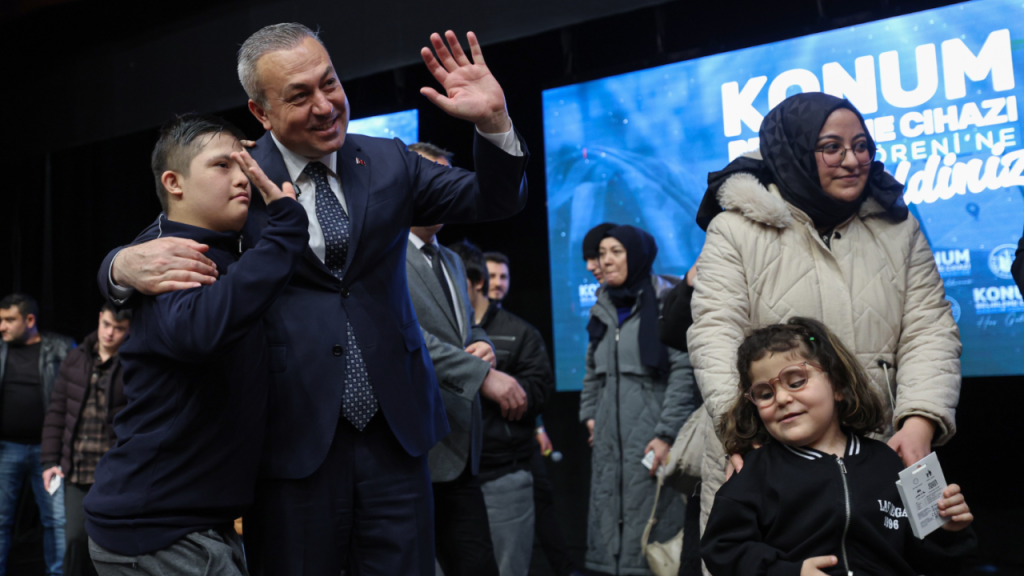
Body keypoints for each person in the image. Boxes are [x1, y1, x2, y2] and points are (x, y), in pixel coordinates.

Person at [96, 23, 528, 576]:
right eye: (299, 96)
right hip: (290, 437)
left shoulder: (390, 161)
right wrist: (118, 266)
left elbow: (494, 197)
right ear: (261, 113)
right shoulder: (240, 174)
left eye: (330, 83)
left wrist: (493, 122)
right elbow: (167, 240)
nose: (326, 106)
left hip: (397, 433)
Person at [688, 93, 962, 564]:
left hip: (880, 445)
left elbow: (929, 330)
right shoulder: (736, 229)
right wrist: (744, 429)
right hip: (768, 447)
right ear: (794, 150)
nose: (852, 160)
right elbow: (715, 332)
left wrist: (920, 420)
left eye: (861, 145)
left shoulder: (900, 227)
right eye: (832, 147)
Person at [83, 113, 307, 575]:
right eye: (222, 166)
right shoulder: (167, 254)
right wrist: (286, 230)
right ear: (174, 182)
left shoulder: (218, 246)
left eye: (244, 165)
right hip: (160, 529)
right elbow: (202, 329)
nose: (242, 177)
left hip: (189, 521)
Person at [700, 317, 976, 576]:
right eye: (764, 393)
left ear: (838, 385)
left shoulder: (889, 462)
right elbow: (721, 549)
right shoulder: (754, 471)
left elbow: (932, 561)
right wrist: (787, 572)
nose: (782, 397)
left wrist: (947, 531)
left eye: (796, 381)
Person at [579, 225, 696, 576]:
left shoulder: (666, 301)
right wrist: (589, 415)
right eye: (602, 253)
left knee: (653, 527)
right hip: (609, 440)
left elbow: (683, 374)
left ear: (638, 254)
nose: (606, 260)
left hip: (653, 436)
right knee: (608, 515)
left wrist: (666, 434)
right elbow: (591, 371)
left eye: (617, 251)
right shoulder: (601, 307)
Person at [451, 242, 555, 576]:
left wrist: (500, 387)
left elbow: (539, 391)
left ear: (474, 282)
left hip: (502, 472)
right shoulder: (439, 330)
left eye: (452, 280)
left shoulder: (520, 332)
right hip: (445, 473)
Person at [41, 303, 131, 576]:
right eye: (106, 325)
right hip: (77, 468)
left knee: (112, 545)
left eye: (119, 329)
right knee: (75, 540)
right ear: (99, 319)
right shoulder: (76, 357)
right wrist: (48, 461)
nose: (110, 333)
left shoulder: (134, 361)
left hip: (113, 472)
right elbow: (57, 410)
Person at [0, 293, 73, 576]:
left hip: (49, 453)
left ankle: (57, 573)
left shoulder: (61, 347)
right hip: (6, 449)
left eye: (9, 320)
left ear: (29, 320)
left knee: (56, 520)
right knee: (1, 521)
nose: (2, 326)